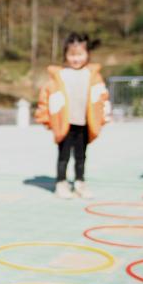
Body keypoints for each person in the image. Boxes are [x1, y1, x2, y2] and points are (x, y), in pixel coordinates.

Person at [35, 33, 110, 199]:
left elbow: (102, 97)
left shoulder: (93, 76)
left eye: (80, 54)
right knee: (64, 156)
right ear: (65, 55)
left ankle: (80, 183)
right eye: (72, 55)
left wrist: (104, 115)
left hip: (84, 123)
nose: (76, 59)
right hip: (65, 123)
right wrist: (45, 117)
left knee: (81, 157)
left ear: (87, 54)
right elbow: (46, 97)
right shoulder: (60, 75)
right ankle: (61, 183)